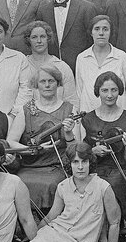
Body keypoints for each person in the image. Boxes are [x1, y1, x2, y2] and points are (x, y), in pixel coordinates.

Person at [12, 142, 122, 242]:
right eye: (75, 162)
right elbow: (51, 217)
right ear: (69, 164)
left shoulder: (103, 187)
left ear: (90, 163)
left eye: (84, 162)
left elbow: (114, 223)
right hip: (56, 232)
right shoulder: (63, 186)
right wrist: (34, 238)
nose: (80, 167)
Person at [7, 65, 80, 217]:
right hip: (30, 165)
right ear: (36, 85)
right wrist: (33, 149)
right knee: (17, 182)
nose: (47, 85)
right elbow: (11, 141)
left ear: (58, 83)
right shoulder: (25, 110)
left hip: (57, 165)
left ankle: (49, 224)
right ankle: (27, 224)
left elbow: (76, 147)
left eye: (51, 81)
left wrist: (68, 133)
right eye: (42, 81)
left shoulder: (70, 110)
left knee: (52, 184)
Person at [81, 71, 126, 233]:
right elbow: (82, 152)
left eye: (114, 90)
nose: (109, 95)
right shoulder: (88, 119)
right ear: (98, 92)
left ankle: (115, 225)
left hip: (121, 168)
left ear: (119, 91)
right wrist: (93, 151)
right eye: (105, 90)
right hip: (95, 168)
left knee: (113, 183)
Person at [43, 0, 95, 71]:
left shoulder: (87, 8)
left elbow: (92, 42)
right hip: (52, 71)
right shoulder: (43, 11)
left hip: (81, 69)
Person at [74, 14, 126, 114]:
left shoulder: (121, 57)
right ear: (91, 32)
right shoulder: (82, 58)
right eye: (97, 29)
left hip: (116, 115)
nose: (101, 33)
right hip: (89, 115)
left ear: (110, 32)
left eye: (105, 29)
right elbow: (79, 90)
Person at [22, 20, 78, 108]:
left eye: (43, 36)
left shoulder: (61, 67)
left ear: (48, 38)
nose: (39, 41)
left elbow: (72, 101)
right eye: (34, 37)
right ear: (28, 40)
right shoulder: (22, 64)